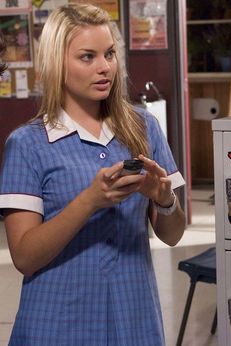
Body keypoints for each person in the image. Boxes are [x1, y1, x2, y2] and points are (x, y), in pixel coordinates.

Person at [0, 3, 186, 345]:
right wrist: (89, 201)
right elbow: (25, 258)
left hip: (134, 319)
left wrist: (164, 200)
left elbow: (173, 235)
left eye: (110, 54)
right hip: (56, 324)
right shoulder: (27, 144)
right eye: (88, 57)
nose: (105, 68)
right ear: (57, 63)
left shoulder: (145, 128)